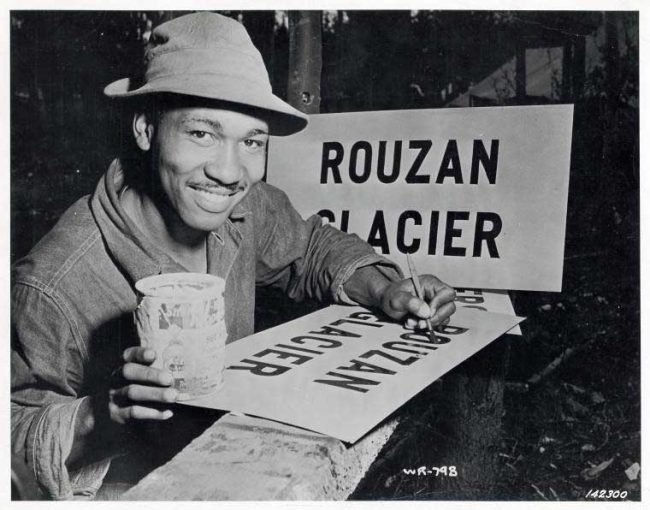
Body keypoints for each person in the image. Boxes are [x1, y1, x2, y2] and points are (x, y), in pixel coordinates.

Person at [11, 12, 456, 500]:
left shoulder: (247, 210)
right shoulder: (53, 284)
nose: (228, 171)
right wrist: (98, 417)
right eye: (202, 133)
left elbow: (311, 246)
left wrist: (385, 288)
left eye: (251, 141)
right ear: (145, 129)